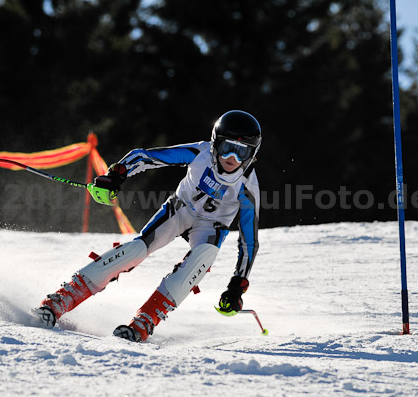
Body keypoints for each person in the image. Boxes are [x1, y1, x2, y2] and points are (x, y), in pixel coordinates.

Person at [33, 110, 261, 342]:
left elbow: (249, 242)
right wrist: (118, 173)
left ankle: (145, 321)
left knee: (204, 256)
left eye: (242, 151)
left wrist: (237, 286)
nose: (233, 157)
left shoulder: (248, 187)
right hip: (180, 210)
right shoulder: (200, 153)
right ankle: (60, 300)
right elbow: (145, 157)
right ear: (215, 144)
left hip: (211, 227)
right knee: (137, 249)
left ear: (252, 155)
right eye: (227, 148)